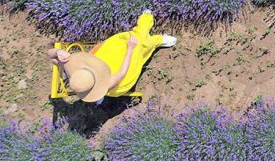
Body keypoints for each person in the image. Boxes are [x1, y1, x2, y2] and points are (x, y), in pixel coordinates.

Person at [46, 10, 177, 104]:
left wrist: (58, 52)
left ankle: (145, 24)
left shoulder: (74, 70)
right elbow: (122, 73)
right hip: (120, 76)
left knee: (122, 41)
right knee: (139, 44)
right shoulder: (107, 83)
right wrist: (130, 49)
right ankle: (157, 39)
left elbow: (50, 55)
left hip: (100, 60)